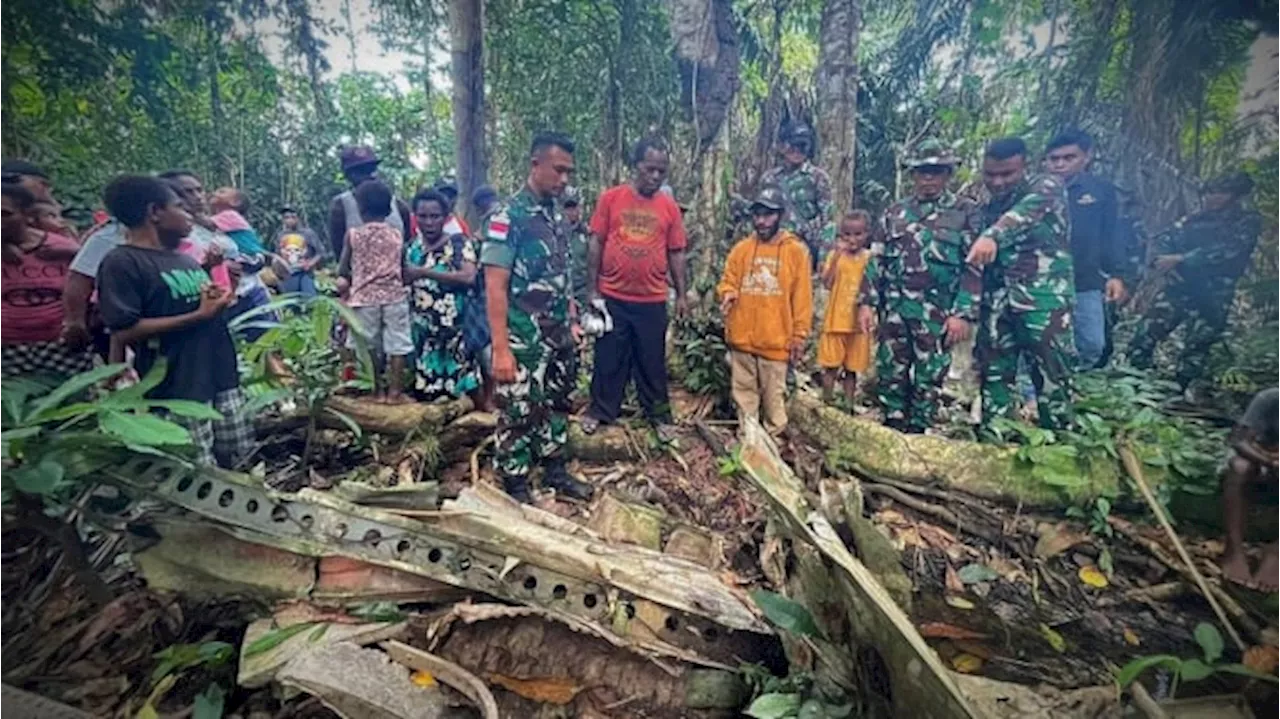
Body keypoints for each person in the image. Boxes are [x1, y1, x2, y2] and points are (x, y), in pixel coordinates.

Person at [96, 175, 249, 469]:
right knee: (196, 468)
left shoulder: (185, 260)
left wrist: (215, 294)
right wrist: (199, 315)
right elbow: (125, 329)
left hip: (219, 373)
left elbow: (193, 300)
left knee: (237, 453)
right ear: (154, 213)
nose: (190, 214)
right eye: (180, 207)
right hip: (179, 385)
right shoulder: (122, 262)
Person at [481, 131, 594, 503]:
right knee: (518, 410)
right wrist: (500, 348)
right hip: (522, 336)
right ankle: (515, 483)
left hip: (559, 333)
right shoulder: (507, 216)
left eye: (569, 172)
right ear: (535, 164)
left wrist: (574, 320)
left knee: (558, 403)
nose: (564, 179)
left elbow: (562, 278)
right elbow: (495, 285)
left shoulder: (558, 219)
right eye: (558, 170)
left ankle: (555, 468)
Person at [859, 138, 980, 433]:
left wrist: (963, 313)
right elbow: (877, 259)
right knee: (891, 367)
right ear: (912, 175)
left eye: (936, 171)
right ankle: (892, 424)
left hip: (937, 312)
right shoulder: (895, 213)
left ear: (949, 174)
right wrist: (866, 303)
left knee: (931, 373)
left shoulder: (966, 213)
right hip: (896, 308)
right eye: (922, 172)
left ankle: (919, 428)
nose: (928, 178)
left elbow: (975, 267)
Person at [958, 137, 1075, 436]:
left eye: (1007, 174)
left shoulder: (1047, 187)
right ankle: (992, 444)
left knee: (1052, 378)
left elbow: (1022, 215)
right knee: (994, 375)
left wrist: (992, 236)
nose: (997, 182)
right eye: (990, 174)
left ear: (1025, 165)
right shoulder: (986, 207)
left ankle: (1061, 448)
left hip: (1043, 303)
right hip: (997, 304)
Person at [580, 139, 690, 437]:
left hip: (652, 298)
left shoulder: (669, 207)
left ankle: (658, 416)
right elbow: (596, 241)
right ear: (636, 166)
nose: (655, 176)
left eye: (661, 171)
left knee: (651, 358)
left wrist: (681, 294)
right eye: (650, 169)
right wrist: (592, 290)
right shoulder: (611, 199)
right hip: (613, 295)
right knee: (609, 357)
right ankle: (601, 410)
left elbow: (676, 251)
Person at [1128, 172, 1261, 394]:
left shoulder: (1246, 221)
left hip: (1213, 292)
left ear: (1234, 196)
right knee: (1147, 331)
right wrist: (1162, 262)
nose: (1212, 197)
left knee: (1197, 346)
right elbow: (1165, 240)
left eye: (1219, 193)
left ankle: (1179, 392)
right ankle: (1135, 382)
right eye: (1209, 192)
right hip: (1180, 287)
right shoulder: (1193, 220)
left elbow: (1229, 250)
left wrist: (1183, 259)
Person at [717, 186, 813, 436]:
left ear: (780, 215)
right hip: (743, 340)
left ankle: (774, 447)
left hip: (776, 341)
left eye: (768, 214)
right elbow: (728, 280)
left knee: (774, 402)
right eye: (757, 215)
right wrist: (728, 293)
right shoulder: (741, 249)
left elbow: (802, 297)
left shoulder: (795, 251)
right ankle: (748, 441)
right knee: (744, 396)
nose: (761, 221)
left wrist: (799, 335)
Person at [1044, 129, 1128, 369]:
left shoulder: (1100, 191)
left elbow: (1111, 233)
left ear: (1086, 157)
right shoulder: (1034, 191)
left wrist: (1116, 275)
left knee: (1092, 343)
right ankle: (1035, 393)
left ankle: (1075, 382)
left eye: (1068, 158)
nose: (1060, 164)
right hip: (1042, 280)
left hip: (1085, 279)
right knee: (1042, 340)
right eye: (1054, 159)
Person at [0, 185, 95, 380]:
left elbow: (93, 285)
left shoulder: (61, 248)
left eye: (4, 214)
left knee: (70, 405)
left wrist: (80, 323)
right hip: (6, 348)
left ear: (27, 215)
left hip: (61, 345)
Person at [338, 180, 412, 404]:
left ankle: (376, 391)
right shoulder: (397, 235)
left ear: (360, 208)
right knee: (397, 345)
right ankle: (395, 393)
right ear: (389, 209)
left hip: (363, 298)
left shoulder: (353, 235)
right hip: (394, 296)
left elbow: (343, 268)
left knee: (368, 346)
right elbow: (402, 267)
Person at [404, 189, 481, 401]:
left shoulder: (458, 244)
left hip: (455, 336)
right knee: (428, 396)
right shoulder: (412, 248)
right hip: (425, 339)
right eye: (423, 216)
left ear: (445, 218)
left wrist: (423, 272)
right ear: (415, 217)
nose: (428, 222)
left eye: (435, 216)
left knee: (464, 394)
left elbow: (468, 277)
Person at [1220, 387, 1280, 590]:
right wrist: (1270, 461)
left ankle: (1276, 553)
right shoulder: (1270, 399)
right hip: (1262, 462)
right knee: (1239, 467)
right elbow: (1238, 440)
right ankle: (1233, 549)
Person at [818, 211, 873, 405]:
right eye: (847, 234)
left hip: (858, 323)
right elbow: (827, 282)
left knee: (852, 369)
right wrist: (835, 258)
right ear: (841, 236)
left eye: (858, 234)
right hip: (835, 320)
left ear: (866, 234)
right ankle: (827, 402)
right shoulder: (835, 256)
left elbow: (873, 288)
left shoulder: (869, 258)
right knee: (830, 366)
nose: (852, 239)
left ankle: (848, 406)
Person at [761, 124, 833, 268]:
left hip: (806, 248)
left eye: (803, 146)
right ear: (782, 147)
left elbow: (828, 221)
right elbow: (761, 215)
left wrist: (824, 258)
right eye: (792, 145)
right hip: (776, 248)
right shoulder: (769, 178)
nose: (797, 150)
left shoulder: (817, 177)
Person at [209, 187, 273, 337]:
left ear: (235, 202)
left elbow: (204, 222)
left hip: (248, 257)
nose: (214, 192)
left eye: (221, 191)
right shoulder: (224, 223)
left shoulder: (230, 216)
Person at [328, 146, 411, 258]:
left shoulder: (398, 204)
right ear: (348, 175)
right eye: (360, 171)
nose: (369, 175)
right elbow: (339, 251)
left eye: (371, 169)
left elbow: (408, 244)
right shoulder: (340, 206)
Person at [274, 206, 325, 297]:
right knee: (291, 304)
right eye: (286, 217)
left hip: (305, 273)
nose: (290, 220)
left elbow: (320, 252)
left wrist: (310, 264)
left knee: (310, 300)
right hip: (289, 274)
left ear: (298, 218)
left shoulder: (308, 234)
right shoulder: (281, 236)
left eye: (293, 217)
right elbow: (278, 255)